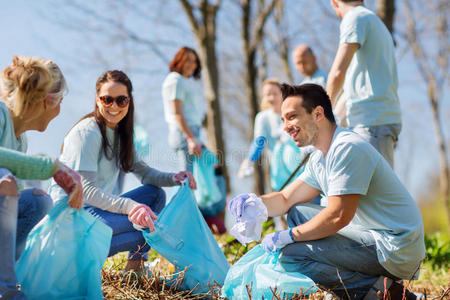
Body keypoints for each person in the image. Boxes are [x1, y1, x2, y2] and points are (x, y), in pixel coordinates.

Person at [229, 84, 425, 299]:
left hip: (395, 246)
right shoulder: (319, 157)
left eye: (292, 117)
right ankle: (375, 286)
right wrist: (255, 203)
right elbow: (286, 198)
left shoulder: (346, 147)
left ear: (318, 114)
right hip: (371, 236)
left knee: (291, 256)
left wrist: (289, 236)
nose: (285, 127)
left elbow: (339, 215)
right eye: (283, 120)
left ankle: (384, 291)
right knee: (297, 212)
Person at [49, 70, 196, 274]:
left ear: (129, 101)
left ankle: (134, 270)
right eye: (107, 99)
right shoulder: (87, 133)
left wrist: (175, 178)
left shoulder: (120, 135)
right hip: (72, 221)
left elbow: (145, 174)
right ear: (97, 100)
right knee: (152, 229)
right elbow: (87, 191)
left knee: (155, 195)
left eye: (121, 100)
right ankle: (78, 259)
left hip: (96, 214)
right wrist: (131, 207)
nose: (114, 106)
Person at [0, 56, 83, 299]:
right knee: (4, 178)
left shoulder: (20, 139)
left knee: (38, 199)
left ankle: (12, 273)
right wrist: (52, 167)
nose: (60, 109)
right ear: (49, 100)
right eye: (60, 101)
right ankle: (6, 291)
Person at [326, 0, 401, 167]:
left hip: (371, 124)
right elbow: (353, 90)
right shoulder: (373, 21)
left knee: (377, 192)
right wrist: (332, 119)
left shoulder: (355, 18)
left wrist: (320, 114)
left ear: (334, 3)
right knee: (371, 191)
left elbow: (338, 72)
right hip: (375, 122)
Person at [237, 79, 315, 229]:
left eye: (275, 93)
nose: (271, 98)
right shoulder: (263, 118)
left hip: (300, 168)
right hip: (280, 173)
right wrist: (249, 160)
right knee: (285, 207)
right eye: (267, 95)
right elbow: (259, 141)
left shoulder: (295, 112)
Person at [162, 46, 204, 172]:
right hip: (184, 134)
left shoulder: (182, 81)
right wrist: (191, 138)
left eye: (195, 61)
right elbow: (177, 113)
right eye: (188, 60)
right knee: (186, 179)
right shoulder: (175, 80)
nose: (192, 65)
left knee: (190, 178)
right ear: (179, 60)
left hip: (190, 132)